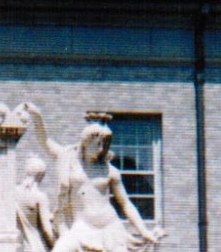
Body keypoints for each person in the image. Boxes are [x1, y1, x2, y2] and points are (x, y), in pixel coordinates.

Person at [19, 104, 164, 252]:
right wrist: (37, 116)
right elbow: (46, 142)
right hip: (81, 227)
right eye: (97, 145)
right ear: (86, 143)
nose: (101, 149)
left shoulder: (111, 171)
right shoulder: (69, 159)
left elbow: (126, 203)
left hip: (110, 227)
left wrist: (143, 230)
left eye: (105, 145)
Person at [16, 157, 57, 252]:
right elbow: (47, 231)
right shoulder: (40, 197)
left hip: (18, 245)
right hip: (36, 245)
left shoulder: (12, 192)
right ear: (41, 175)